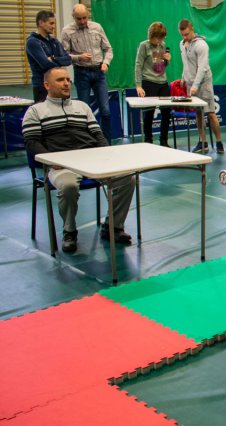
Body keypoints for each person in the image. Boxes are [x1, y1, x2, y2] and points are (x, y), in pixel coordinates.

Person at [22, 68, 134, 254]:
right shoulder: (35, 111)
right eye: (60, 80)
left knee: (127, 178)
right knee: (68, 186)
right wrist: (51, 160)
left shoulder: (82, 106)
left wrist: (107, 154)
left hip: (92, 161)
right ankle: (69, 231)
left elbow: (97, 134)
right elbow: (32, 142)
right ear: (47, 85)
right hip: (61, 165)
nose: (66, 83)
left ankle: (113, 226)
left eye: (67, 79)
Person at [60, 4, 113, 142]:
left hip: (99, 73)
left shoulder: (97, 27)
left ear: (88, 16)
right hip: (81, 73)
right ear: (73, 17)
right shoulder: (67, 31)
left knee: (105, 111)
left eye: (84, 18)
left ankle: (106, 141)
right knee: (84, 111)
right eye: (79, 19)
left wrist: (106, 63)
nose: (82, 21)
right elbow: (63, 55)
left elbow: (108, 48)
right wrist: (78, 57)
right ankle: (87, 142)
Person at [178, 19, 224, 155]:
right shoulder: (181, 44)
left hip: (203, 83)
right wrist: (183, 78)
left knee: (210, 113)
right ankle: (203, 142)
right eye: (182, 35)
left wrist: (196, 85)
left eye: (186, 34)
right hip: (191, 83)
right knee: (198, 113)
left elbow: (202, 67)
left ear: (192, 30)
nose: (184, 37)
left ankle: (219, 142)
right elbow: (186, 63)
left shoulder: (202, 45)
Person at [134, 22, 172, 147]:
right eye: (158, 38)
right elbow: (138, 65)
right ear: (151, 36)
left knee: (166, 113)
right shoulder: (143, 46)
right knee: (149, 114)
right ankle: (148, 142)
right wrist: (138, 85)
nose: (160, 41)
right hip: (148, 82)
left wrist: (167, 60)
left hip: (162, 82)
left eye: (162, 38)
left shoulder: (163, 45)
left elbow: (159, 68)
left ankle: (164, 140)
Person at [25, 10, 71, 103]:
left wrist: (53, 58)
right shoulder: (32, 42)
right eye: (51, 23)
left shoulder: (54, 41)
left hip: (59, 85)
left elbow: (68, 60)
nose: (53, 26)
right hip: (41, 86)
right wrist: (58, 61)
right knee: (44, 115)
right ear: (41, 23)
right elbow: (45, 64)